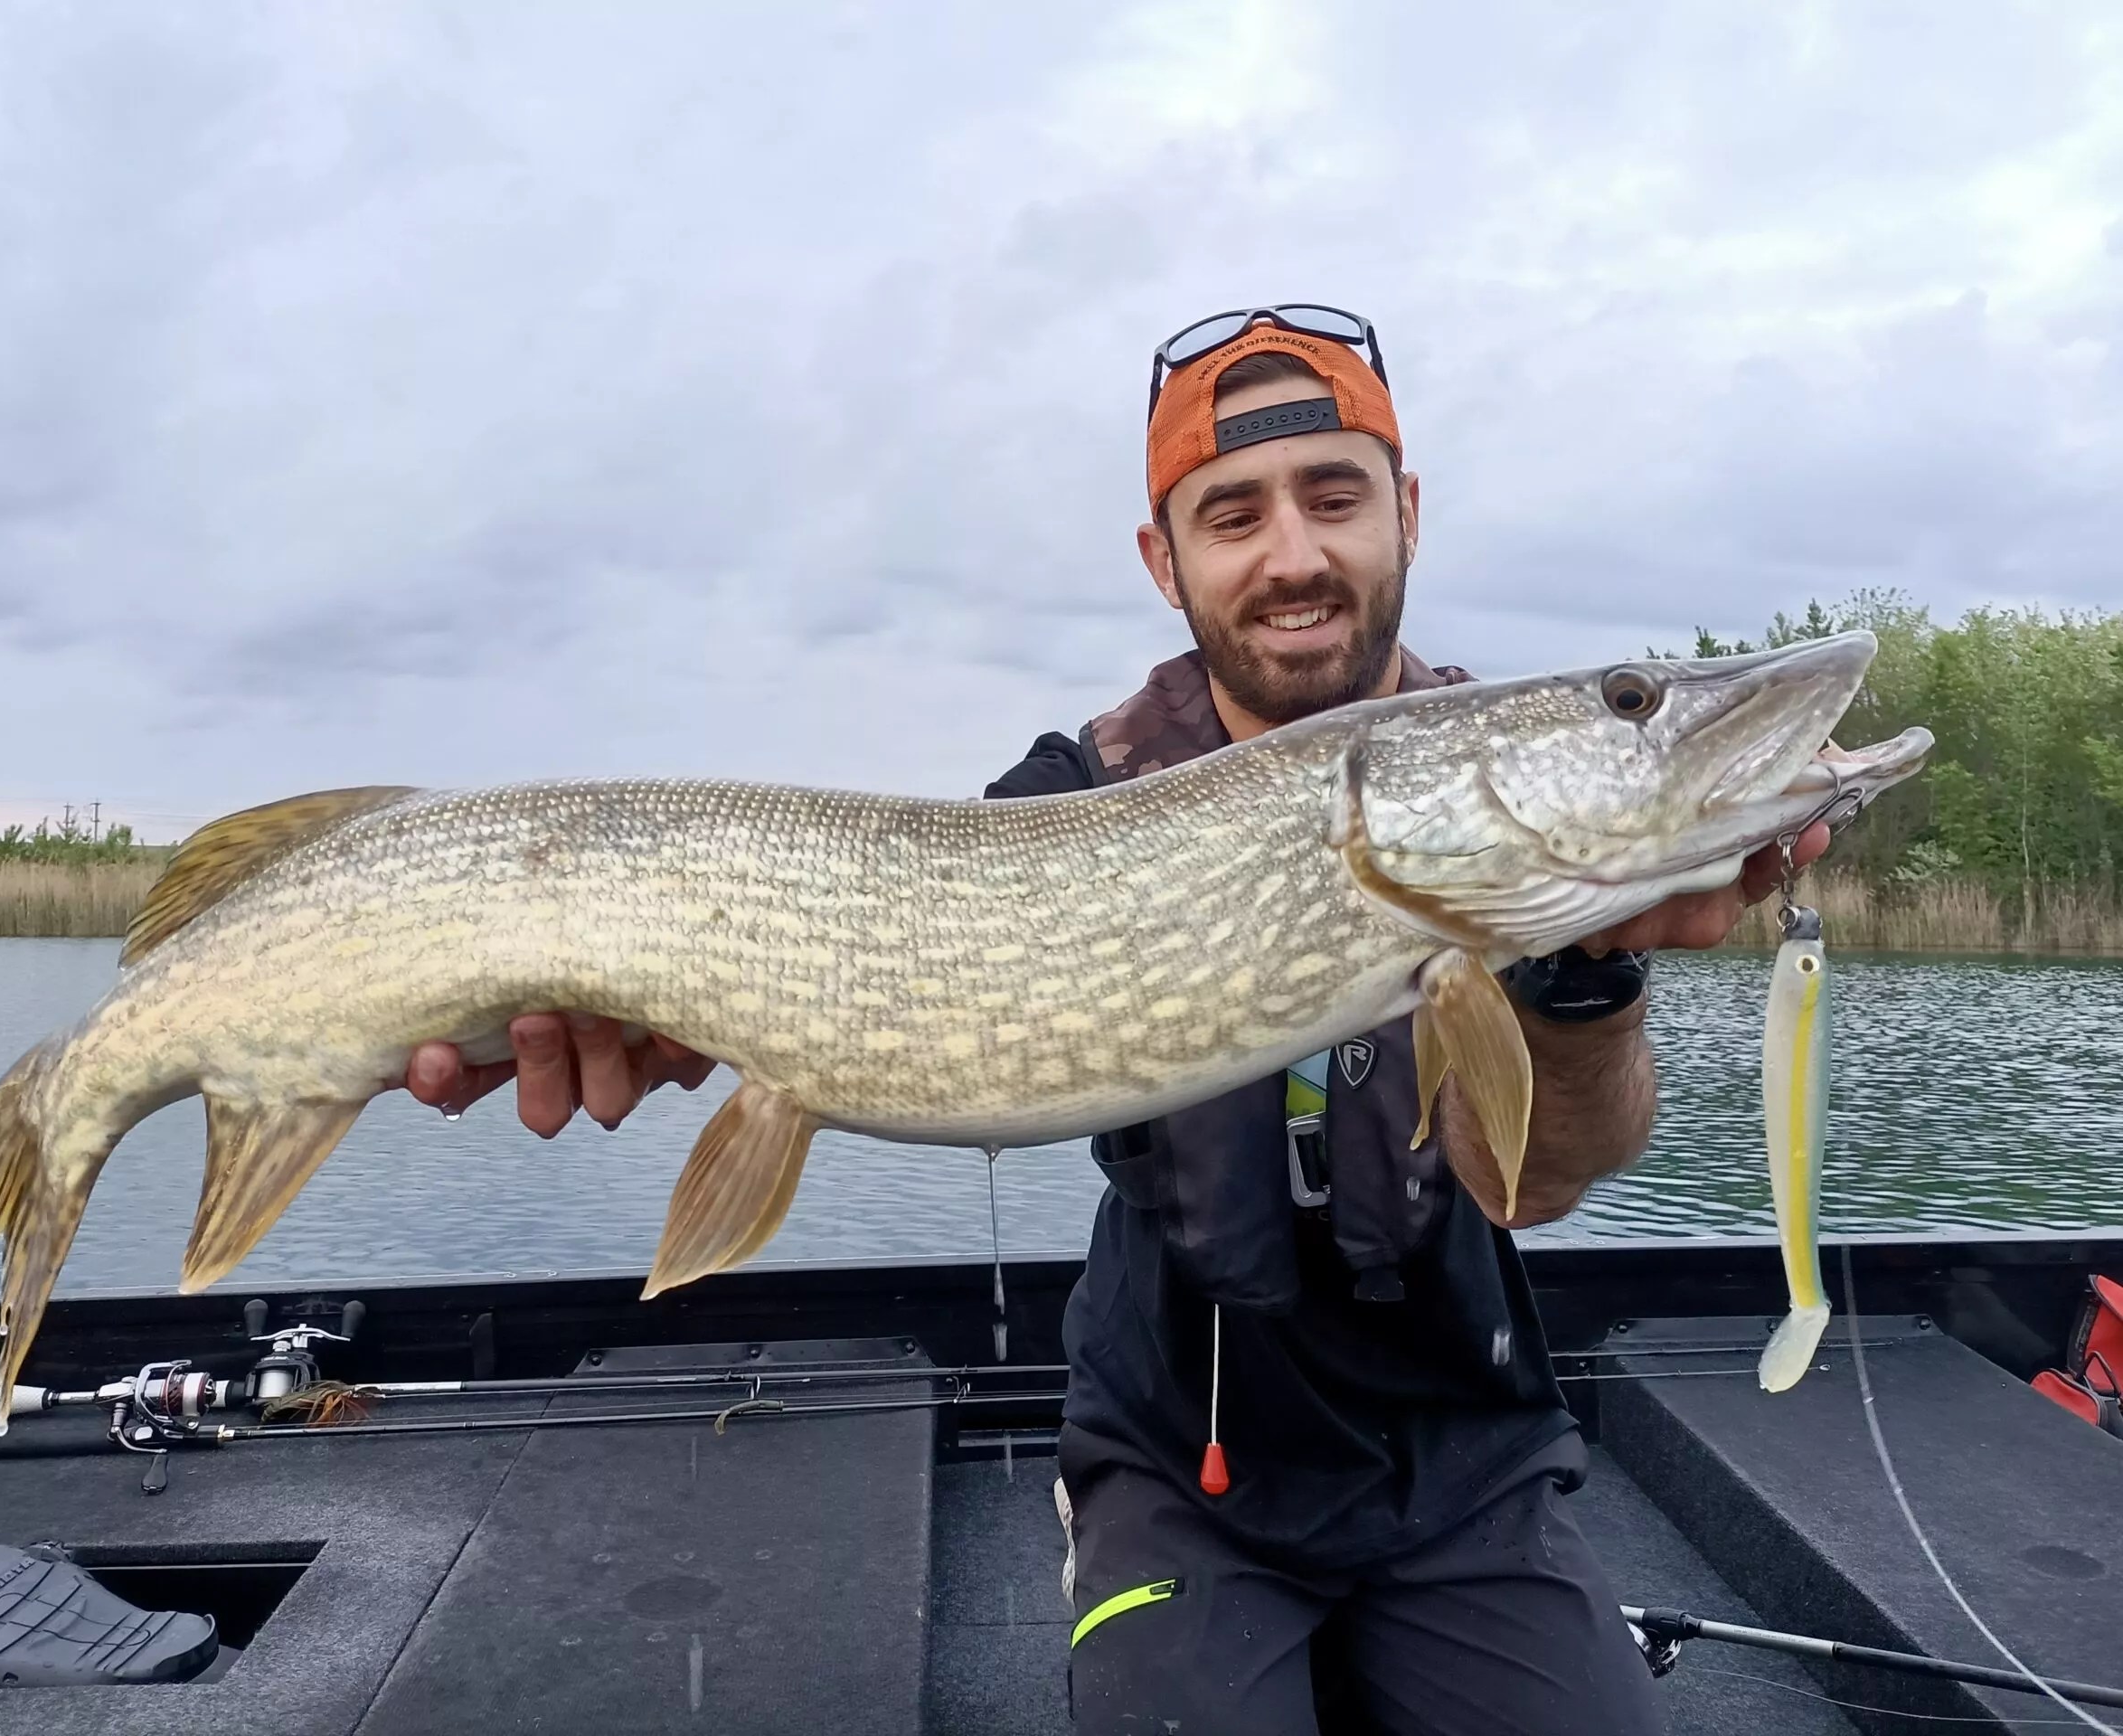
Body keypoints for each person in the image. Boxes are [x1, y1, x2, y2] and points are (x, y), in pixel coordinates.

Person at [405, 306, 1831, 1733]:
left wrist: (1583, 970)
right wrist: (660, 1009)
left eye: (1335, 498)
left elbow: (1538, 1179)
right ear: (1167, 561)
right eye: (1233, 515)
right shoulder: (1068, 798)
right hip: (1177, 1461)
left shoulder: (1473, 805)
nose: (1293, 555)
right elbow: (856, 977)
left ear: (1407, 514)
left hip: (1467, 1460)